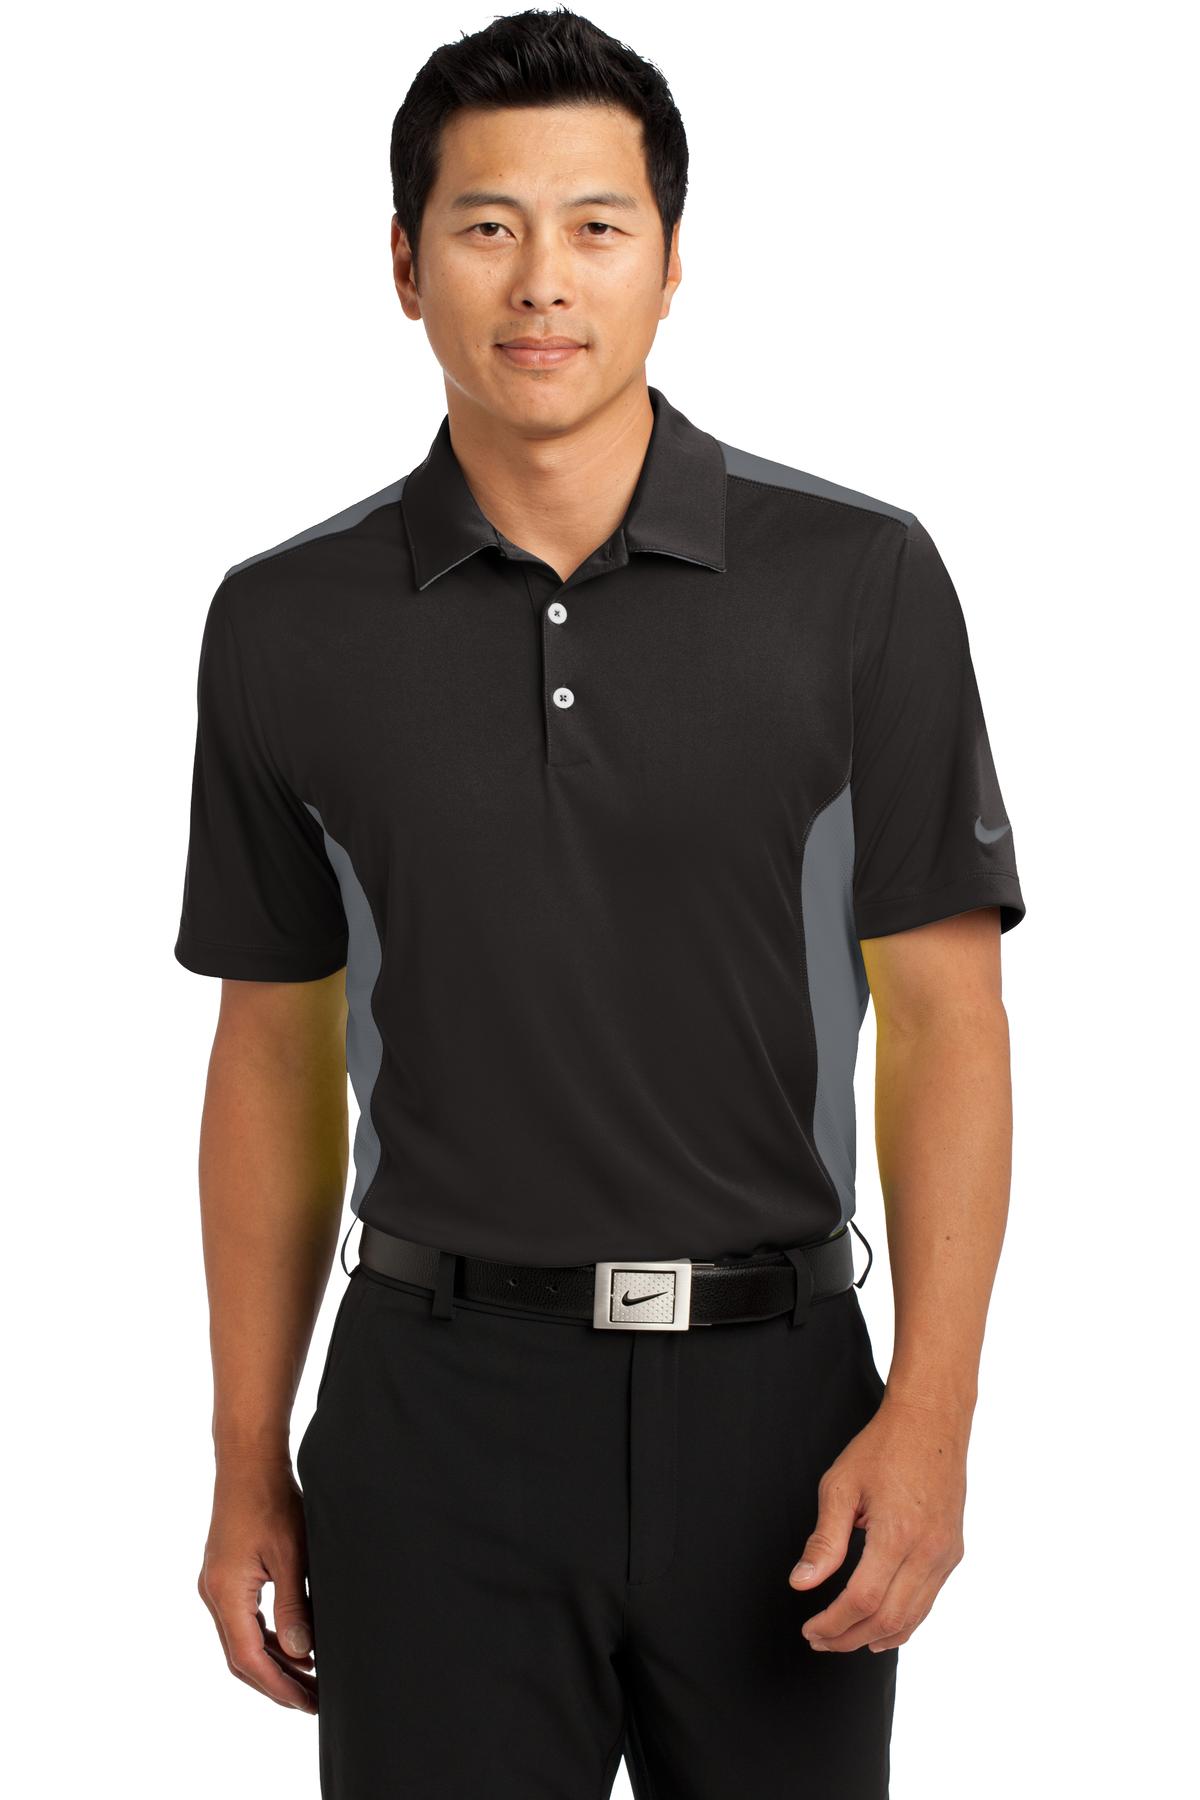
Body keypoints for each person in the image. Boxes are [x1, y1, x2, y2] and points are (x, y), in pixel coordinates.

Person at [174, 10, 1027, 1796]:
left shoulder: (860, 582)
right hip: (431, 1413)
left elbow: (950, 1019)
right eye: (486, 226)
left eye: (596, 225)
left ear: (671, 260)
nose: (541, 280)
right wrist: (249, 1454)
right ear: (403, 265)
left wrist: (932, 1414)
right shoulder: (284, 622)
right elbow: (270, 1048)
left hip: (779, 1409)